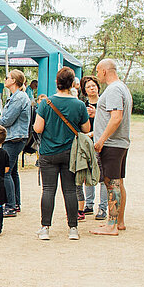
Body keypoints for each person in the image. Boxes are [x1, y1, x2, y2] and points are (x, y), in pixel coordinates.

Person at [33, 67, 90, 241]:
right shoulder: (79, 104)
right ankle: (73, 228)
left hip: (48, 152)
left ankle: (45, 228)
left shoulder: (46, 103)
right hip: (70, 153)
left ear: (56, 83)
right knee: (70, 190)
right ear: (72, 83)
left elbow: (38, 128)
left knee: (48, 190)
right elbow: (86, 129)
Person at [90, 59, 132, 236]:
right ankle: (118, 221)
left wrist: (101, 140)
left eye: (98, 72)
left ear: (104, 71)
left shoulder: (114, 89)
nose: (97, 75)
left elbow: (116, 117)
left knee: (111, 183)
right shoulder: (121, 87)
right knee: (118, 182)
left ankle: (112, 224)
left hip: (112, 144)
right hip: (119, 143)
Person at [0, 70, 31, 218]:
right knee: (12, 172)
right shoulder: (16, 96)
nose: (5, 79)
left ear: (14, 81)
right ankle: (15, 203)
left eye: (7, 77)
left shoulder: (19, 97)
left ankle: (10, 206)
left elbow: (7, 120)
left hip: (14, 138)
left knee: (5, 171)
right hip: (16, 137)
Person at [78, 76, 107, 220]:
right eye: (88, 86)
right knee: (87, 175)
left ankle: (102, 208)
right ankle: (89, 204)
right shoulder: (82, 105)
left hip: (101, 143)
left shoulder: (104, 102)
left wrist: (97, 116)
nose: (92, 88)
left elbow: (109, 122)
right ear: (84, 90)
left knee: (102, 176)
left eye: (94, 85)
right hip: (86, 144)